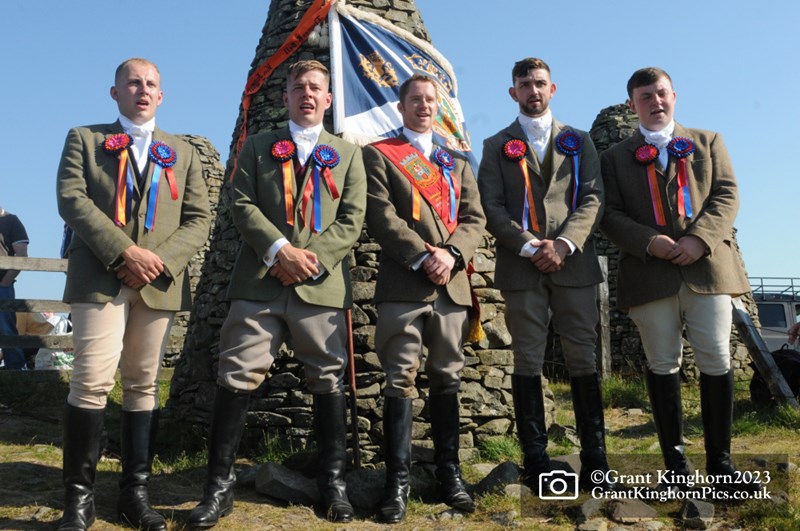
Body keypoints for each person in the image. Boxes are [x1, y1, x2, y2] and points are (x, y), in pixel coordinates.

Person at [187, 60, 366, 527]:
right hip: (259, 282)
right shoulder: (259, 147)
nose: (307, 95)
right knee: (236, 374)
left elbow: (352, 218)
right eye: (298, 87)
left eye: (316, 89)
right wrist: (280, 250)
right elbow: (240, 202)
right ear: (285, 97)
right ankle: (218, 489)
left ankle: (334, 486)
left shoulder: (348, 154)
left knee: (327, 378)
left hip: (320, 285)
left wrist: (310, 258)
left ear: (328, 100)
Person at [56, 58, 212, 531]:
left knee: (143, 383)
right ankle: (78, 500)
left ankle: (134, 496)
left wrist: (156, 261)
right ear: (115, 92)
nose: (142, 90)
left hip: (158, 284)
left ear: (161, 95)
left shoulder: (181, 152)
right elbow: (71, 198)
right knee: (91, 380)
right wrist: (125, 252)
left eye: (151, 84)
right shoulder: (84, 138)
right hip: (101, 278)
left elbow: (199, 217)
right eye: (133, 83)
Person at [600, 67, 756, 492]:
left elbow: (727, 194)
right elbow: (609, 214)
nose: (656, 102)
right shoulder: (614, 158)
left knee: (716, 359)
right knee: (662, 362)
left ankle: (721, 465)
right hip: (650, 275)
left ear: (675, 95)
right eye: (645, 96)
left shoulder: (708, 142)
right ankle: (675, 466)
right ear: (633, 104)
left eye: (662, 93)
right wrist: (651, 242)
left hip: (707, 270)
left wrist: (699, 241)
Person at [478, 57, 612, 494]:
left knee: (583, 358)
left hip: (574, 265)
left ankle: (596, 458)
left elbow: (593, 197)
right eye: (524, 84)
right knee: (527, 360)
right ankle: (535, 458)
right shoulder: (496, 144)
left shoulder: (580, 141)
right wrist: (528, 244)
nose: (533, 91)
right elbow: (491, 205)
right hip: (523, 265)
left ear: (552, 89)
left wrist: (564, 243)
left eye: (539, 83)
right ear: (512, 92)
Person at [364, 74, 486, 523]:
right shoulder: (380, 155)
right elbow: (380, 214)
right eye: (415, 99)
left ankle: (448, 473)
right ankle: (397, 481)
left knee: (447, 376)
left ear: (440, 107)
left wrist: (452, 254)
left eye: (431, 100)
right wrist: (421, 256)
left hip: (450, 285)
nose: (423, 106)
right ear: (401, 106)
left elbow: (475, 217)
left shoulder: (456, 160)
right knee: (400, 378)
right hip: (404, 283)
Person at [0, 205, 29, 370]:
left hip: (2, 285)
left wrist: (4, 283)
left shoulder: (11, 221)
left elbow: (22, 256)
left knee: (7, 328)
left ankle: (16, 370)